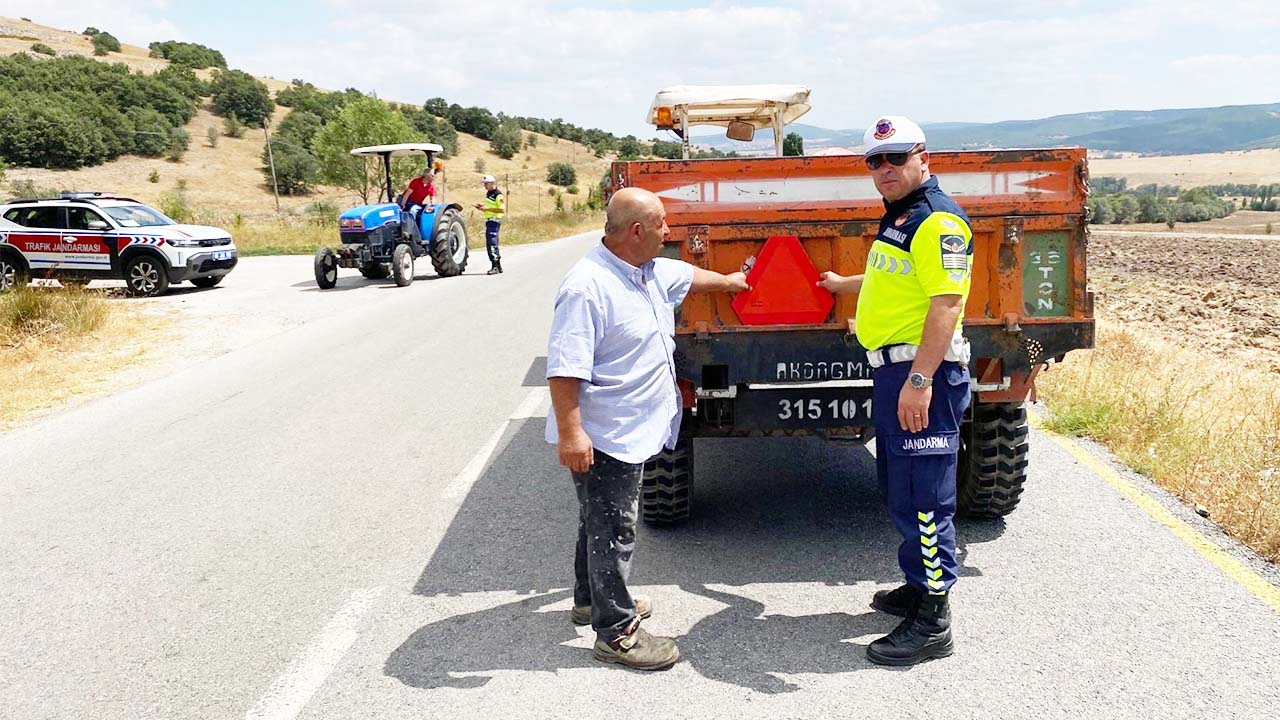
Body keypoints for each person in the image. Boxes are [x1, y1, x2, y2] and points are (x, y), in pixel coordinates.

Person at [545, 187, 750, 671]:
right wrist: (573, 433)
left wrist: (731, 281)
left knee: (597, 518)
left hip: (630, 427)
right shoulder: (587, 287)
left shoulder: (647, 270)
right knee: (614, 527)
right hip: (606, 432)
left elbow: (691, 275)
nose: (668, 232)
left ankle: (590, 600)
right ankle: (616, 632)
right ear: (637, 231)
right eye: (661, 224)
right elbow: (565, 368)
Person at [817, 115, 974, 666]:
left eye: (897, 157)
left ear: (923, 157)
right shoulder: (902, 216)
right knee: (903, 490)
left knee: (925, 499)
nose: (885, 168)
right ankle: (918, 586)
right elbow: (898, 279)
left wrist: (920, 381)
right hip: (896, 372)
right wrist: (845, 285)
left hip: (921, 374)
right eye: (875, 160)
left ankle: (933, 621)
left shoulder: (937, 221)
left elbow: (946, 303)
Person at [474, 174, 505, 274]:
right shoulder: (488, 193)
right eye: (484, 184)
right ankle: (498, 266)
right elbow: (490, 206)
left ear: (492, 183)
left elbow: (501, 209)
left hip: (494, 221)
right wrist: (482, 206)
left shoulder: (498, 195)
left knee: (492, 243)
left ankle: (495, 266)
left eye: (486, 183)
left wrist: (487, 209)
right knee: (491, 243)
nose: (485, 185)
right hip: (489, 221)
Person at [398, 168, 436, 243]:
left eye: (433, 176)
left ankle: (412, 233)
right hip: (407, 201)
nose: (433, 177)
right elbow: (407, 194)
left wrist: (432, 204)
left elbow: (432, 197)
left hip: (417, 204)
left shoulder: (431, 186)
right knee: (399, 212)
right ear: (426, 175)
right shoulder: (416, 182)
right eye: (431, 175)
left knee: (413, 210)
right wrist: (402, 204)